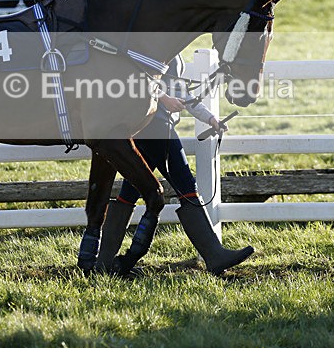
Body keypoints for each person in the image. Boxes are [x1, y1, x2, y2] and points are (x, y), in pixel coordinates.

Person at [96, 55, 254, 276]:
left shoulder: (173, 49)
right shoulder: (153, 43)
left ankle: (103, 264)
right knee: (186, 186)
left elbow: (182, 94)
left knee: (130, 192)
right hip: (156, 126)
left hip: (152, 127)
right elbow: (135, 76)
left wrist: (210, 119)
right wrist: (163, 98)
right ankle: (214, 255)